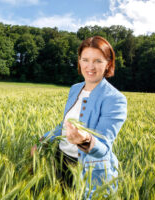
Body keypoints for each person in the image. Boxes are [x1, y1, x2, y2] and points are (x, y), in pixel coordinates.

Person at [31, 36, 127, 199]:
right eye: (85, 60)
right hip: (60, 161)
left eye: (97, 60)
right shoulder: (75, 89)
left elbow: (104, 148)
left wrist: (85, 140)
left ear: (108, 64)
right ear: (79, 62)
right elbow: (65, 125)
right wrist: (42, 142)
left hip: (87, 170)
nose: (90, 66)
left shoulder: (115, 99)